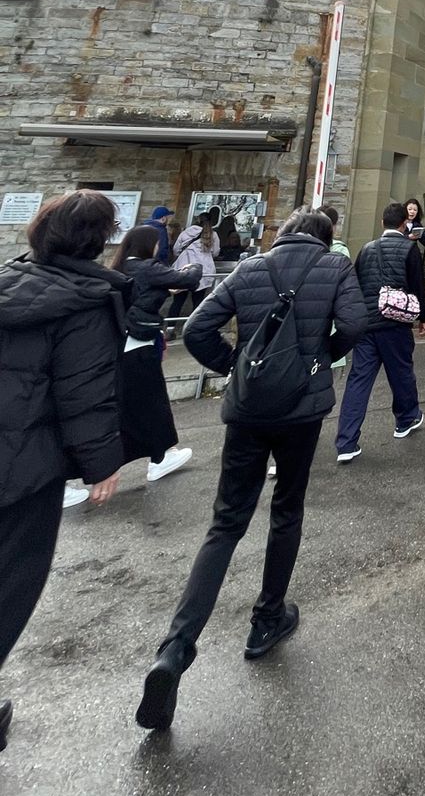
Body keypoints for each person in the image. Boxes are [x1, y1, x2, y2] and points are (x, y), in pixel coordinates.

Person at [135, 208, 366, 732]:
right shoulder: (332, 268)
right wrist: (317, 361)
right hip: (301, 410)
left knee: (225, 525)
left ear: (282, 233)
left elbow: (197, 329)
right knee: (287, 508)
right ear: (325, 239)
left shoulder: (251, 269)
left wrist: (236, 368)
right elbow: (354, 323)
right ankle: (266, 621)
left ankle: (175, 649)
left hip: (248, 410)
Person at [0, 191, 125, 753]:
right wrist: (101, 465)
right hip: (25, 467)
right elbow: (84, 389)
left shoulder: (7, 280)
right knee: (13, 580)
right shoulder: (85, 299)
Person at [333, 201, 425, 464]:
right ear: (404, 224)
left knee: (358, 381)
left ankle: (346, 442)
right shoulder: (409, 248)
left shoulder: (366, 249)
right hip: (394, 325)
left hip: (366, 325)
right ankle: (405, 420)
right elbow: (417, 285)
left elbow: (355, 285)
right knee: (401, 374)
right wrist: (424, 317)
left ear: (381, 223)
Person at [110, 225, 200, 483]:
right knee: (152, 402)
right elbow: (191, 279)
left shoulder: (118, 268)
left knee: (129, 406)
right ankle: (160, 457)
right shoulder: (147, 268)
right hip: (139, 344)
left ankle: (155, 455)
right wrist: (189, 268)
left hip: (123, 342)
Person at [166, 208, 218, 322]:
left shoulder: (186, 232)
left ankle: (169, 328)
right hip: (203, 271)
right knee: (198, 302)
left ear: (198, 220)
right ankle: (194, 327)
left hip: (184, 269)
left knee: (178, 302)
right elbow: (216, 252)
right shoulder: (213, 234)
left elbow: (176, 250)